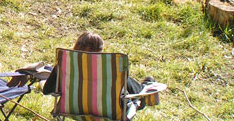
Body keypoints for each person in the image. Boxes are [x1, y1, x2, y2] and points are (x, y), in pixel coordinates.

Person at [9, 32, 155, 106]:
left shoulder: (64, 64)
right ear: (100, 51)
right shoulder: (111, 69)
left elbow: (48, 90)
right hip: (108, 111)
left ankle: (145, 88)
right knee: (128, 84)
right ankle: (145, 90)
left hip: (73, 110)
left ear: (76, 46)